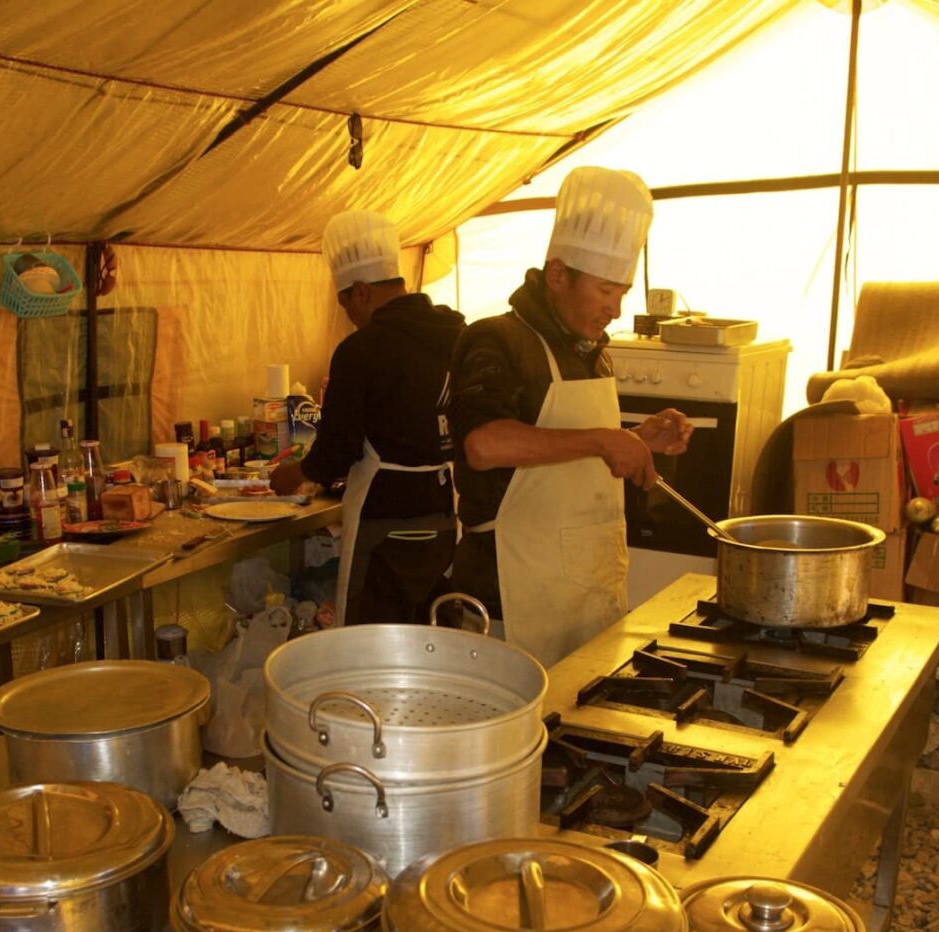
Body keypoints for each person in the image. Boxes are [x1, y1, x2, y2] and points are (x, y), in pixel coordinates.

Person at [447, 166, 693, 667]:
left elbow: (558, 445)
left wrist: (637, 439)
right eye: (606, 291)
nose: (615, 309)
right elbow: (484, 445)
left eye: (622, 292)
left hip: (583, 591)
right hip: (510, 597)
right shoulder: (498, 338)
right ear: (558, 275)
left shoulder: (590, 351)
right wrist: (605, 440)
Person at [272, 209, 465, 625]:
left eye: (345, 304)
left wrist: (291, 475)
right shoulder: (456, 334)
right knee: (433, 635)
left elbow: (334, 454)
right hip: (445, 515)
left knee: (373, 649)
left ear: (360, 291)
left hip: (384, 526)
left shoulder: (361, 351)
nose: (348, 316)